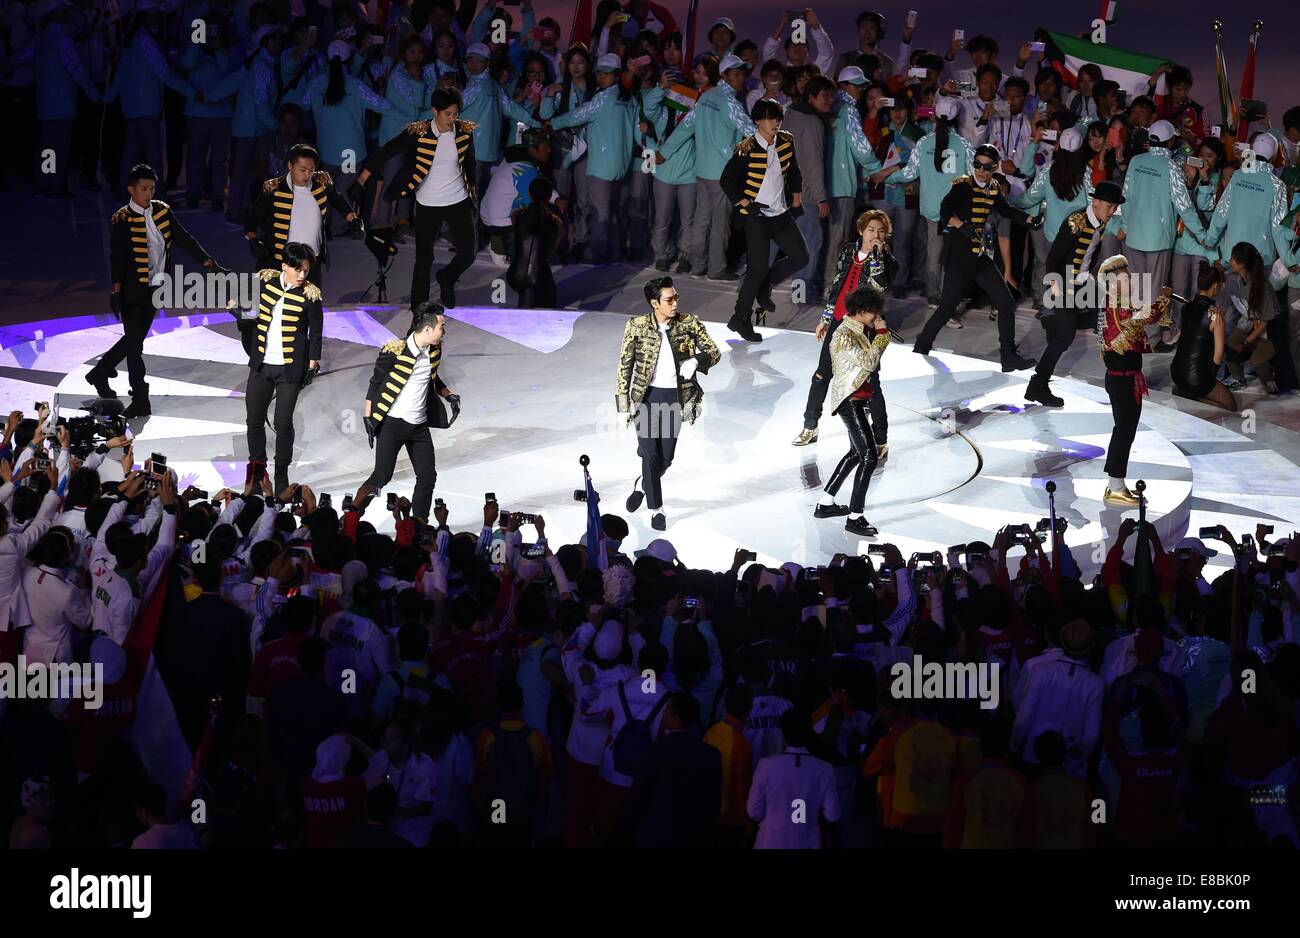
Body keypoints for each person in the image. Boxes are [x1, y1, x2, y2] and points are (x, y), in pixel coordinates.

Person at [87, 163, 224, 417]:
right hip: (131, 292)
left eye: (151, 188)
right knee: (136, 347)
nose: (148, 194)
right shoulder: (122, 219)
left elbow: (183, 238)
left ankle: (100, 371)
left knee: (133, 339)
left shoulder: (162, 211)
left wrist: (207, 262)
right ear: (131, 189)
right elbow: (116, 258)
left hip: (157, 288)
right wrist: (116, 291)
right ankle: (140, 399)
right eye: (143, 189)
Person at [910, 144, 1040, 372]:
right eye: (977, 165)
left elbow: (1006, 210)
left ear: (995, 167)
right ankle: (921, 347)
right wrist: (961, 225)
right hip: (959, 257)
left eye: (986, 166)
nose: (981, 170)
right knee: (946, 308)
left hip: (979, 256)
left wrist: (1030, 220)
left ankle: (1008, 356)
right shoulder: (962, 186)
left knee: (1006, 303)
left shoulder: (993, 187)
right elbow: (945, 210)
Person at [357, 87, 477, 312]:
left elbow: (470, 162)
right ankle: (418, 308)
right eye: (447, 114)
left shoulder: (464, 131)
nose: (453, 119)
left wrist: (473, 190)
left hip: (458, 200)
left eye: (455, 113)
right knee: (424, 260)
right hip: (428, 204)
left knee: (469, 253)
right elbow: (388, 150)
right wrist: (363, 177)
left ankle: (446, 277)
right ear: (434, 111)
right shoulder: (419, 132)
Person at [617, 277, 721, 531]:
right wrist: (622, 405)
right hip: (646, 398)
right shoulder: (637, 326)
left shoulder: (689, 323)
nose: (675, 303)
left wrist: (697, 360)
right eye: (669, 299)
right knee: (650, 454)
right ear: (655, 303)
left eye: (676, 297)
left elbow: (714, 352)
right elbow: (624, 366)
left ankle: (643, 483)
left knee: (666, 457)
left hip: (676, 398)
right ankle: (657, 510)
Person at [796, 209, 895, 446]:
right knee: (821, 375)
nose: (876, 236)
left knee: (871, 383)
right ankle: (810, 426)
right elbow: (838, 284)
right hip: (839, 324)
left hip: (864, 330)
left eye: (881, 232)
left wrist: (877, 258)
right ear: (861, 230)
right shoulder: (849, 250)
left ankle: (879, 440)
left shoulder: (888, 261)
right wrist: (827, 317)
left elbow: (879, 289)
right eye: (871, 230)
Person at [655, 53, 756, 282]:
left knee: (702, 220)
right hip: (723, 174)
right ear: (725, 75)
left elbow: (684, 128)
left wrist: (664, 152)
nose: (742, 79)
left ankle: (697, 265)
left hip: (702, 171)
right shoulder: (731, 103)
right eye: (737, 74)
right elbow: (752, 132)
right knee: (720, 224)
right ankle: (716, 269)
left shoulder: (706, 97)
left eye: (743, 74)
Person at [1027, 181, 1125, 407]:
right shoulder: (1076, 222)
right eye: (1108, 206)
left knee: (1108, 315)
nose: (1111, 212)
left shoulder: (1100, 222)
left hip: (1082, 283)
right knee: (1063, 338)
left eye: (1114, 208)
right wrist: (1056, 289)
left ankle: (1117, 381)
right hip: (1062, 284)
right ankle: (1037, 385)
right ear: (1096, 202)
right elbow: (1052, 259)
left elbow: (1088, 259)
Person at [719, 98, 807, 342]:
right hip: (756, 217)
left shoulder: (786, 141)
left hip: (780, 213)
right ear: (758, 120)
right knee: (756, 269)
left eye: (778, 117)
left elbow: (794, 172)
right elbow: (727, 180)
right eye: (770, 117)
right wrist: (746, 204)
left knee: (801, 256)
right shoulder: (746, 147)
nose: (775, 122)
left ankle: (766, 285)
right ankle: (740, 318)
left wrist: (797, 203)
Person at [360, 306, 456, 521]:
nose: (444, 331)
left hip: (419, 427)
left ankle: (419, 523)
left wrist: (448, 395)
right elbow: (374, 385)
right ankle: (354, 513)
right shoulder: (394, 350)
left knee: (427, 477)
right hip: (393, 424)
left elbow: (432, 376)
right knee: (381, 476)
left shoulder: (434, 349)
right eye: (442, 327)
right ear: (428, 330)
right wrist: (368, 417)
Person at [243, 241, 323, 493]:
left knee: (283, 423)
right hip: (261, 366)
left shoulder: (310, 295)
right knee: (254, 420)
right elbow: (250, 314)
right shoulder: (266, 282)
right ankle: (257, 473)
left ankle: (281, 476)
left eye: (306, 271)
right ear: (284, 266)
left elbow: (316, 332)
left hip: (290, 369)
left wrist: (312, 363)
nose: (302, 276)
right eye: (298, 270)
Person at [878, 97, 974, 306]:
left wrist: (887, 176)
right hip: (957, 211)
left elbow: (910, 173)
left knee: (934, 251)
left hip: (933, 209)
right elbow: (973, 175)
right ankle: (950, 293)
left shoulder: (924, 142)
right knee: (954, 255)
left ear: (935, 118)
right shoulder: (964, 144)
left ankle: (933, 293)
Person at [546, 53, 638, 266]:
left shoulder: (602, 98)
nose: (602, 77)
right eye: (600, 73)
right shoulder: (630, 98)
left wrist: (554, 122)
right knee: (616, 209)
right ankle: (615, 250)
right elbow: (636, 132)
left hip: (601, 165)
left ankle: (597, 251)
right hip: (622, 165)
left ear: (616, 75)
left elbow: (578, 115)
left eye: (607, 74)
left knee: (601, 210)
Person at [1096, 254, 1173, 507]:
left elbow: (1142, 318)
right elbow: (1141, 321)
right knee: (1124, 431)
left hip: (1126, 378)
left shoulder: (1120, 302)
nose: (1130, 282)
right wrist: (1162, 299)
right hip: (1121, 380)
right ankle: (1115, 486)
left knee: (1125, 431)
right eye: (1124, 278)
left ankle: (1116, 484)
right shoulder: (1115, 305)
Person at [813, 286, 890, 537]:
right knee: (869, 457)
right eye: (874, 314)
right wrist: (882, 334)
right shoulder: (844, 334)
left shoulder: (857, 329)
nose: (876, 318)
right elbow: (870, 362)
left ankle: (825, 504)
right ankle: (855, 517)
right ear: (862, 311)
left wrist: (877, 332)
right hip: (850, 401)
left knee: (856, 454)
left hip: (858, 399)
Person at [1110, 120, 1208, 300]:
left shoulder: (1136, 161)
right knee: (1154, 293)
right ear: (1170, 142)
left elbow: (1126, 198)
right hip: (1159, 240)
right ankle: (1151, 328)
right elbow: (1184, 207)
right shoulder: (1171, 167)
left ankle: (1135, 326)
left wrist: (1124, 226)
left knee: (1135, 290)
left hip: (1133, 235)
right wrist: (1201, 235)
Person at [304, 42, 391, 237]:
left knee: (323, 190)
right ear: (349, 60)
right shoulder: (357, 86)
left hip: (325, 149)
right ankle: (337, 228)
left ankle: (319, 229)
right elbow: (384, 106)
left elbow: (298, 105)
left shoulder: (316, 84)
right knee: (343, 191)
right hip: (351, 151)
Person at [244, 143, 359, 290]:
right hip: (281, 262)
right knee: (277, 307)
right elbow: (252, 219)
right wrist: (253, 241)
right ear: (290, 166)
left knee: (312, 307)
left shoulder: (322, 183)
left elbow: (338, 200)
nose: (307, 174)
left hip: (312, 263)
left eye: (311, 170)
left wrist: (353, 220)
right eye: (302, 170)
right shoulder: (273, 189)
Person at [821, 67, 882, 298]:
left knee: (827, 237)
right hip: (842, 183)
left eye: (861, 85)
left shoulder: (829, 107)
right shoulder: (848, 109)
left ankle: (823, 282)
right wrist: (876, 167)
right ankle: (831, 286)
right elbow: (860, 146)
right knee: (839, 238)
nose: (860, 89)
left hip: (825, 182)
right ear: (843, 86)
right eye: (856, 85)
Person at [747, 708, 839, 848]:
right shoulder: (825, 769)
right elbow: (833, 815)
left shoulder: (765, 765)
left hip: (770, 842)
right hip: (807, 843)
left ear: (783, 733)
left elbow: (754, 812)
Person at [1170, 262, 1237, 410]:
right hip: (1195, 376)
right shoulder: (1214, 313)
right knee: (1231, 406)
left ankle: (1188, 393)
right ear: (1215, 286)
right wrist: (1209, 377)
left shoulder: (1186, 307)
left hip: (1176, 371)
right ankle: (1196, 396)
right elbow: (1219, 354)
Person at [1223, 241, 1280, 394]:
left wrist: (1246, 342)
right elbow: (1223, 303)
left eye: (1233, 259)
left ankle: (1269, 378)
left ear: (1241, 264)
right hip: (1247, 325)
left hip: (1269, 333)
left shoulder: (1263, 287)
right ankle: (1238, 378)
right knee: (1228, 347)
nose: (1230, 261)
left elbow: (1264, 323)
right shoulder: (1233, 280)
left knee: (1257, 361)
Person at [506, 177, 563, 308]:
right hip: (539, 277)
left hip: (514, 275)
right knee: (548, 298)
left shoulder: (517, 215)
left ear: (530, 194)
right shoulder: (556, 222)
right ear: (549, 197)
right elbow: (550, 254)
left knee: (528, 288)